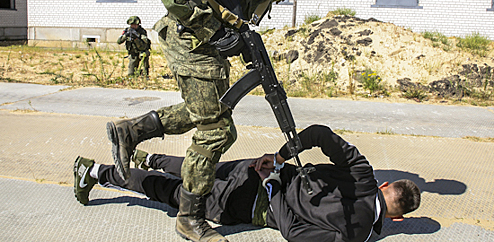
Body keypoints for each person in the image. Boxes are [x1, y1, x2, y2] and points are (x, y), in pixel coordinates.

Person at [106, 0, 337, 241]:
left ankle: (132, 131)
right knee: (217, 130)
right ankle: (190, 217)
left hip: (211, 40)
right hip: (189, 36)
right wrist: (213, 29)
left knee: (212, 109)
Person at [75, 124, 421, 242]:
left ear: (386, 187)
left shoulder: (364, 174)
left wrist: (281, 159)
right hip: (252, 204)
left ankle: (149, 158)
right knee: (171, 194)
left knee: (202, 170)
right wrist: (271, 187)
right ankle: (95, 173)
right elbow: (293, 233)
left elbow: (319, 134)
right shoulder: (355, 236)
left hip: (262, 166)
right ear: (398, 218)